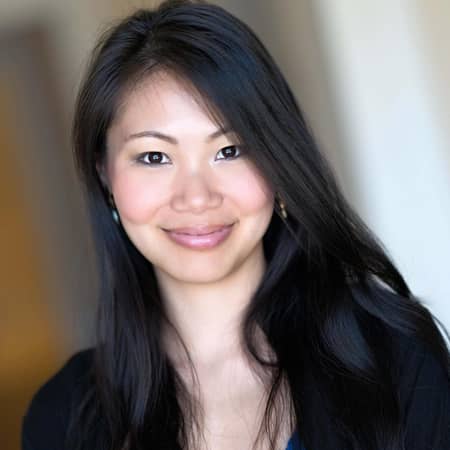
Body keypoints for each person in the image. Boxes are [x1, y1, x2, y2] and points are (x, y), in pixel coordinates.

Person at [21, 1, 450, 449]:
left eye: (229, 151)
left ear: (277, 161)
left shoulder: (392, 361)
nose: (197, 196)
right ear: (105, 174)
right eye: (154, 156)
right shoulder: (63, 417)